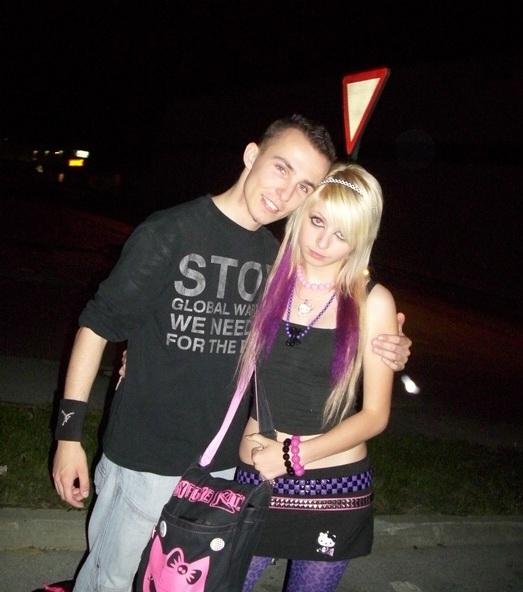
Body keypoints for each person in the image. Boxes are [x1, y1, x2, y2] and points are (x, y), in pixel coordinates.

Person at [51, 115, 411, 592]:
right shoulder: (181, 235)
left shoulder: (275, 262)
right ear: (251, 155)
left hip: (225, 468)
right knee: (112, 581)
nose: (286, 193)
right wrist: (69, 433)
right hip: (151, 457)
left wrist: (391, 344)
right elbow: (100, 324)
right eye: (281, 168)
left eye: (303, 186)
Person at [230, 161, 397, 591]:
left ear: (361, 239)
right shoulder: (265, 275)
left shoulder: (372, 302)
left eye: (342, 234)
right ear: (302, 212)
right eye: (318, 221)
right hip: (258, 473)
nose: (323, 242)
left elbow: (375, 415)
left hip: (332, 484)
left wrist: (291, 457)